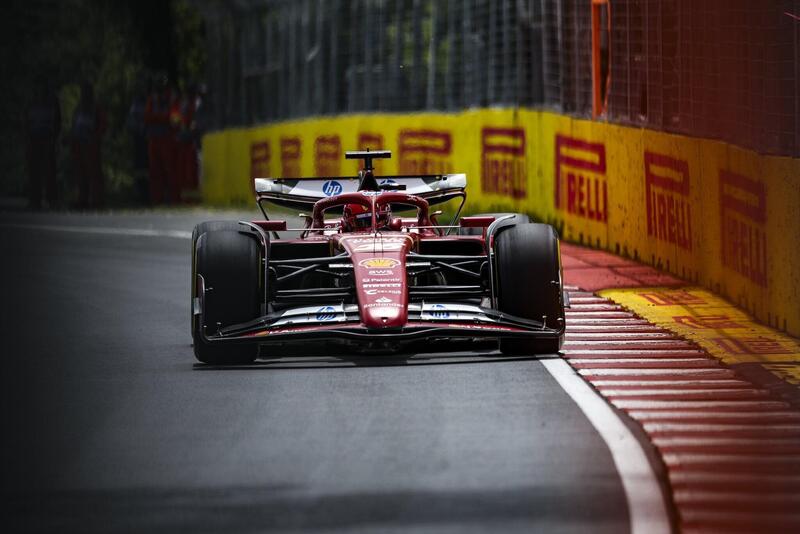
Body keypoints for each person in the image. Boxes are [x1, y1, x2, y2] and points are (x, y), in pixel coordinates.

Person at [69, 82, 106, 209]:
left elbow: (102, 126)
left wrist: (94, 138)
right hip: (78, 144)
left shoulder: (96, 108)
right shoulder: (78, 108)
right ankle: (81, 200)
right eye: (83, 92)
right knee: (80, 173)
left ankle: (96, 201)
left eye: (87, 92)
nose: (84, 94)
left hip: (91, 145)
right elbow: (74, 124)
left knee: (94, 173)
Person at [25, 81, 61, 209]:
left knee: (50, 170)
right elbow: (25, 120)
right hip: (34, 138)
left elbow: (58, 121)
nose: (41, 90)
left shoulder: (52, 101)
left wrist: (54, 137)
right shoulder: (31, 101)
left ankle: (52, 199)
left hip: (48, 138)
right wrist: (27, 138)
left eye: (44, 88)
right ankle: (35, 199)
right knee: (34, 170)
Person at [144, 75, 177, 204]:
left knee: (170, 170)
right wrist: (162, 118)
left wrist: (158, 118)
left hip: (167, 139)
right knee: (155, 171)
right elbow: (147, 117)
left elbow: (174, 118)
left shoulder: (171, 99)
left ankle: (172, 199)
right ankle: (157, 199)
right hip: (154, 139)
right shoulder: (152, 100)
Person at [126, 81, 150, 204]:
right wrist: (137, 129)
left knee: (149, 168)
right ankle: (139, 193)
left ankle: (149, 194)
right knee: (139, 168)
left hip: (149, 139)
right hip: (139, 139)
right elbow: (130, 122)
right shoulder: (136, 104)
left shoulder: (151, 101)